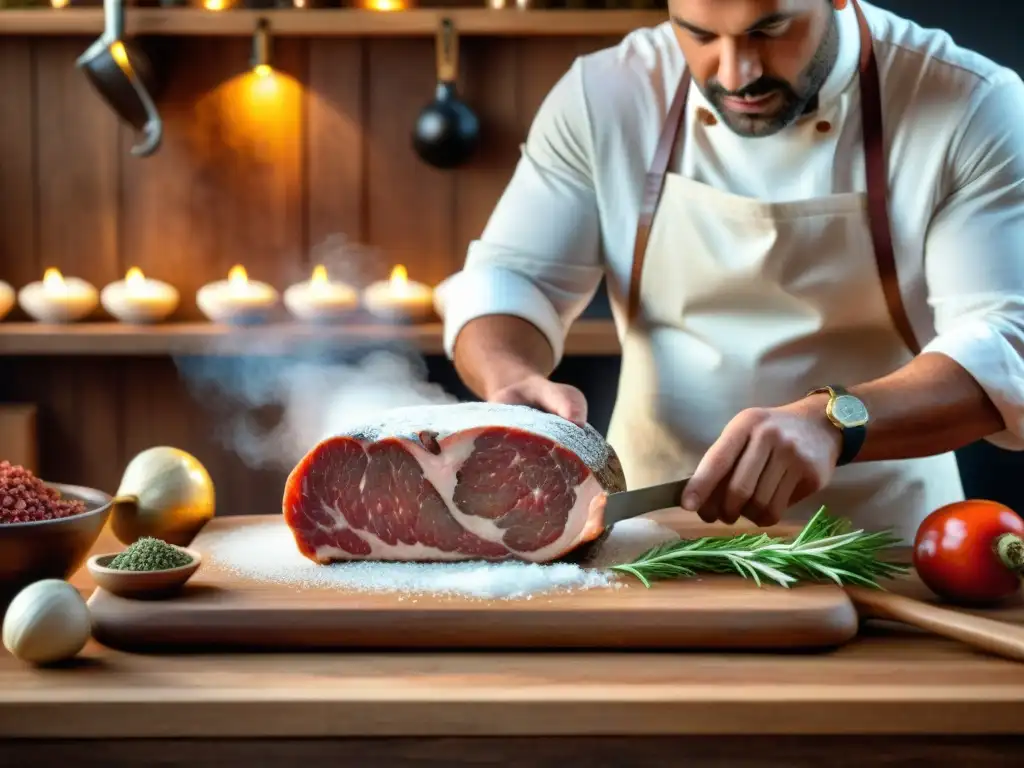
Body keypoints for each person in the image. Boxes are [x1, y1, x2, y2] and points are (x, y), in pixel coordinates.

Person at [433, 0, 1024, 542]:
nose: (736, 73)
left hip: (886, 544)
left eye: (769, 30)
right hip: (645, 539)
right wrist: (508, 374)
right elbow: (513, 277)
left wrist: (833, 422)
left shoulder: (969, 103)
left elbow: (1004, 343)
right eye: (698, 34)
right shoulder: (605, 94)